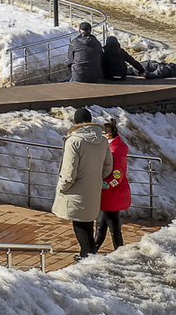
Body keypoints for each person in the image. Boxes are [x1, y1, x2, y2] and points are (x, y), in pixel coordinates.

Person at [52, 107, 112, 258]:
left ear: (76, 122)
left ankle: (87, 257)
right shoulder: (103, 141)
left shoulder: (74, 141)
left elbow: (68, 171)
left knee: (80, 226)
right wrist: (96, 178)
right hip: (93, 189)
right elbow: (108, 167)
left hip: (76, 190)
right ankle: (88, 255)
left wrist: (62, 187)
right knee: (87, 224)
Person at [94, 118, 131, 251]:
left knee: (111, 228)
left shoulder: (114, 152)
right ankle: (91, 252)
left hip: (112, 195)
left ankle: (117, 252)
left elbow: (117, 175)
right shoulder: (114, 148)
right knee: (102, 225)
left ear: (108, 136)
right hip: (110, 195)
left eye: (102, 134)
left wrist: (104, 185)